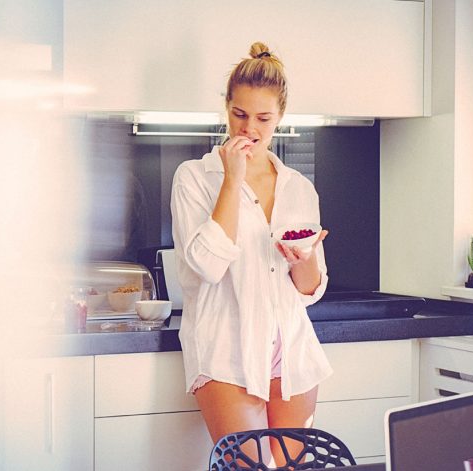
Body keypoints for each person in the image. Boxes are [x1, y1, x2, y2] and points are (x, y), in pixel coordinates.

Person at [170, 41, 332, 467]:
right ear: (226, 108)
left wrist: (306, 257)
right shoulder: (194, 178)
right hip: (227, 347)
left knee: (292, 467)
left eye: (263, 118)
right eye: (240, 115)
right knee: (251, 467)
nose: (249, 128)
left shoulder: (299, 187)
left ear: (279, 118)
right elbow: (206, 265)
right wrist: (231, 179)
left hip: (292, 349)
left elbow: (310, 290)